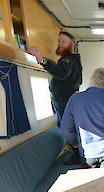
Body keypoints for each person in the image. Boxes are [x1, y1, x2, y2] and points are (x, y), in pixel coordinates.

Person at [28, 31, 82, 165]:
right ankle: (77, 151)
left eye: (64, 41)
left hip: (64, 100)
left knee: (67, 128)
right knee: (67, 127)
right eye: (59, 41)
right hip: (64, 100)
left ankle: (77, 154)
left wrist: (42, 59)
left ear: (72, 44)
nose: (60, 44)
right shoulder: (72, 60)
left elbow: (61, 72)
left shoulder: (67, 60)